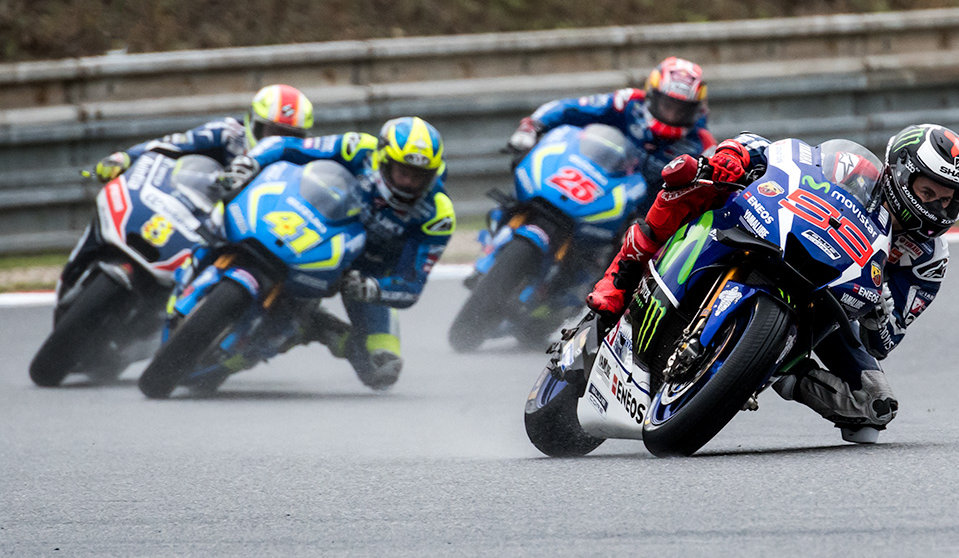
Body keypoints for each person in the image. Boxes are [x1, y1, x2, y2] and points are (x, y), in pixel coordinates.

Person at [585, 123, 959, 442]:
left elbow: (882, 342)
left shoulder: (929, 260)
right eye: (928, 193)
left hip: (834, 303)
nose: (937, 208)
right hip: (780, 236)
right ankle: (621, 277)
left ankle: (777, 370)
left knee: (874, 407)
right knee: (693, 177)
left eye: (949, 201)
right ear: (900, 174)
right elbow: (788, 156)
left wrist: (881, 316)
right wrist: (736, 158)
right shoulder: (854, 169)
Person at [214, 116, 454, 390]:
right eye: (403, 172)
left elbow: (411, 284)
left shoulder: (437, 215)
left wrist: (372, 289)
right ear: (383, 160)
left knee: (382, 368)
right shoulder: (357, 148)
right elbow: (285, 146)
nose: (409, 183)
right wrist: (250, 162)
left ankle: (315, 328)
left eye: (419, 177)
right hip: (314, 229)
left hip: (362, 274)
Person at [503, 56, 715, 196]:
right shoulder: (627, 103)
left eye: (682, 109)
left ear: (695, 109)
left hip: (645, 221)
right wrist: (533, 126)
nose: (673, 114)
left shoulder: (702, 143)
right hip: (594, 186)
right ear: (652, 95)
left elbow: (713, 190)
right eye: (668, 105)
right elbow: (571, 108)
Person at [90, 84, 314, 181]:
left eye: (289, 135)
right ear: (252, 122)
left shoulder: (305, 158)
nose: (278, 140)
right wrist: (127, 157)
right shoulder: (228, 132)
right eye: (272, 131)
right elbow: (174, 144)